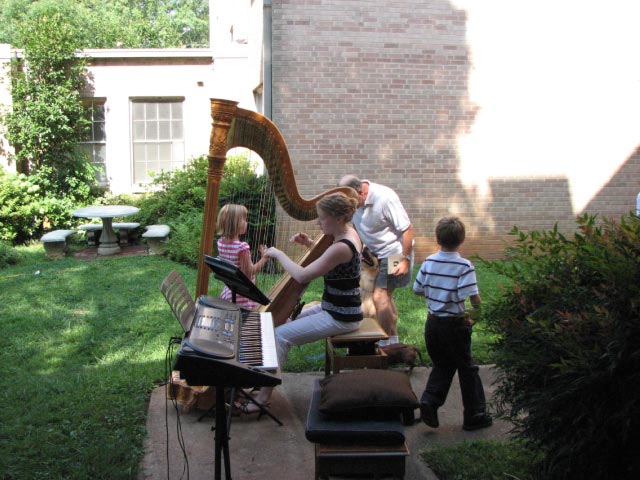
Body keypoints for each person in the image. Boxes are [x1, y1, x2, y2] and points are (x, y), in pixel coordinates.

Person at [239, 192, 363, 413]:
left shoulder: (342, 246)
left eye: (322, 218)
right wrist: (310, 244)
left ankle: (265, 396)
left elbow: (303, 276)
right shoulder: (348, 233)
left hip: (342, 317)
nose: (317, 222)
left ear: (338, 218)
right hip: (334, 308)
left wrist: (278, 254)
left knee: (279, 335)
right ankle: (260, 380)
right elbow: (330, 262)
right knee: (278, 322)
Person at [413, 216, 492, 431]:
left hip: (432, 325)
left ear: (437, 238)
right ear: (462, 239)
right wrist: (477, 313)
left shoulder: (429, 262)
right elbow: (473, 297)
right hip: (455, 326)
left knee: (443, 364)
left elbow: (417, 289)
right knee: (467, 368)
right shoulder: (464, 266)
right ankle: (474, 415)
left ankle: (429, 401)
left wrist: (436, 295)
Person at [338, 174, 413, 346]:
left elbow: (407, 229)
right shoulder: (353, 201)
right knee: (385, 297)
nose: (349, 206)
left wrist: (405, 259)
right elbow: (357, 227)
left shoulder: (385, 198)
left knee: (380, 296)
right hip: (374, 252)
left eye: (350, 201)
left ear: (360, 192)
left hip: (395, 253)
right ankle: (394, 339)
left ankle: (387, 343)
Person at [216, 204, 269, 310]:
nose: (246, 222)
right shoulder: (242, 247)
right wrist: (265, 258)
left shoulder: (220, 242)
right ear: (236, 224)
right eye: (244, 219)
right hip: (242, 296)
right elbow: (249, 273)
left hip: (230, 290)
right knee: (242, 322)